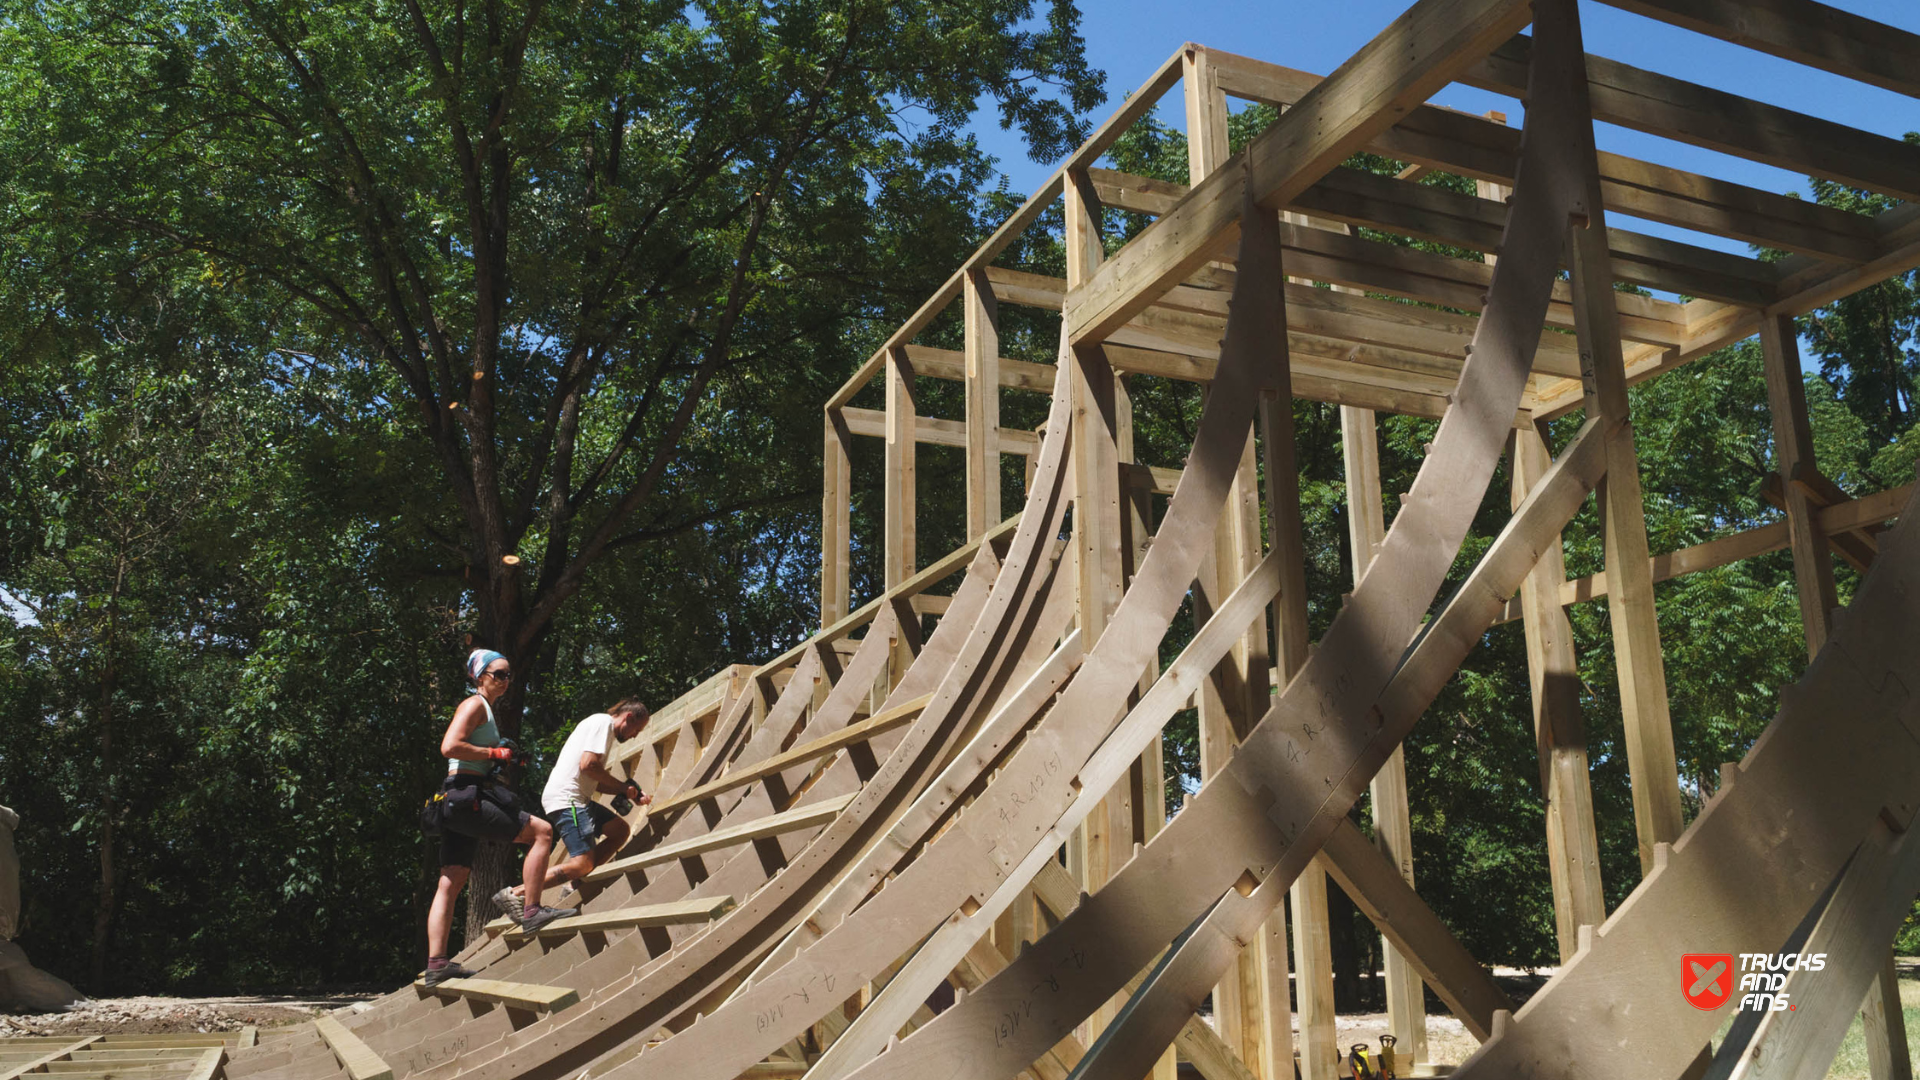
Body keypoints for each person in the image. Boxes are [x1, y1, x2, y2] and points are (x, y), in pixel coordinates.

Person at [423, 649, 577, 986]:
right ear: (480, 678)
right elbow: (450, 746)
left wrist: (497, 756)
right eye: (499, 674)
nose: (506, 681)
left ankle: (436, 964)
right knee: (542, 832)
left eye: (509, 675)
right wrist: (494, 752)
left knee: (450, 882)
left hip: (454, 802)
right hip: (467, 796)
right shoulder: (474, 705)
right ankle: (533, 911)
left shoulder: (485, 710)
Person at [492, 700, 652, 919]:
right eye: (637, 729)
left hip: (578, 799)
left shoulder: (599, 727)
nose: (635, 735)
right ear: (628, 718)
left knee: (619, 831)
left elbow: (594, 778)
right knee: (581, 863)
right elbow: (589, 765)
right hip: (569, 800)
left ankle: (576, 882)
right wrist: (623, 787)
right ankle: (515, 893)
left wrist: (626, 792)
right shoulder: (603, 723)